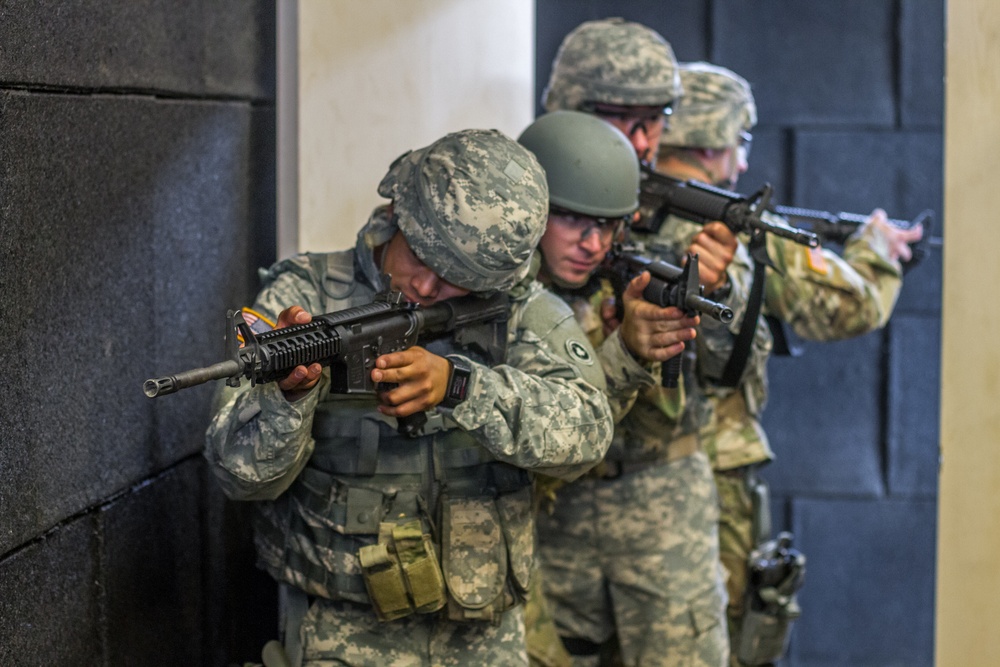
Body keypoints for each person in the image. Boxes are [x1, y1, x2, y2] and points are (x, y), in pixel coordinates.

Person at [204, 128, 616, 667]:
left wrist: (463, 387)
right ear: (398, 214)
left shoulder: (517, 308)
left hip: (484, 638)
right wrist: (291, 398)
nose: (425, 288)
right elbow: (238, 475)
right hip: (344, 635)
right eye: (419, 259)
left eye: (454, 281)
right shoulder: (304, 296)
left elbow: (587, 433)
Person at [655, 62, 924, 666]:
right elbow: (847, 307)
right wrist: (877, 254)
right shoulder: (735, 225)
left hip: (595, 482)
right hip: (710, 474)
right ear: (712, 138)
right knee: (729, 641)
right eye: (740, 142)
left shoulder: (603, 213)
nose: (744, 163)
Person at [534, 18, 758, 667]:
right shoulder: (519, 211)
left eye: (653, 119)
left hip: (665, 500)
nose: (638, 140)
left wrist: (723, 291)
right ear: (567, 107)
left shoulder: (693, 214)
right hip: (551, 502)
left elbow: (733, 371)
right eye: (614, 118)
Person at [517, 109, 705, 667]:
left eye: (609, 225)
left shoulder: (617, 278)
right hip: (534, 533)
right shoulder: (497, 296)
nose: (592, 243)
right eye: (572, 221)